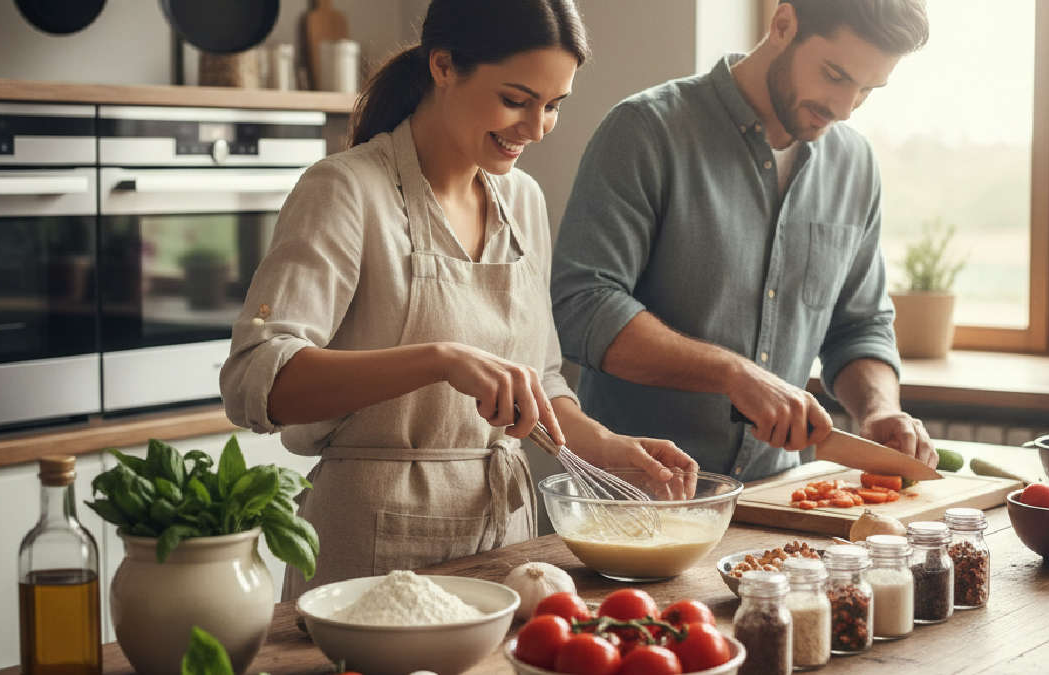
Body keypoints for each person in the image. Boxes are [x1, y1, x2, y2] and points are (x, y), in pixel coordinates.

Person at [220, 0, 697, 598]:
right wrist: (439, 359)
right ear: (443, 66)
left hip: (507, 542)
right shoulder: (346, 190)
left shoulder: (522, 199)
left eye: (553, 105)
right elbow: (256, 381)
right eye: (516, 99)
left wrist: (604, 446)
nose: (536, 128)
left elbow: (540, 378)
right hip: (371, 548)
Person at [551, 0, 936, 482]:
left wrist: (879, 409)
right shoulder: (645, 131)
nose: (844, 108)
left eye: (866, 91)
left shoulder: (854, 165)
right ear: (783, 24)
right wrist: (733, 375)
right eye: (835, 75)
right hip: (635, 495)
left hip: (777, 497)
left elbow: (858, 326)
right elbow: (582, 306)